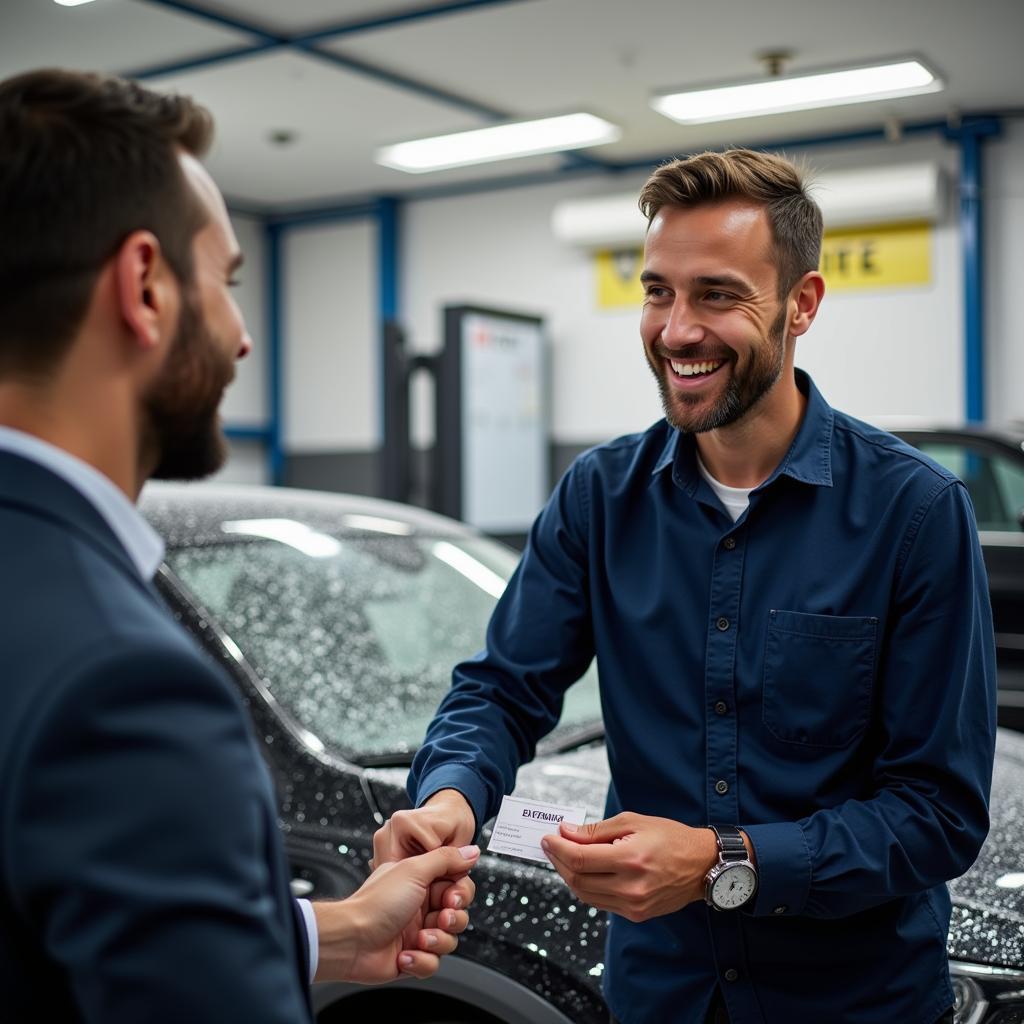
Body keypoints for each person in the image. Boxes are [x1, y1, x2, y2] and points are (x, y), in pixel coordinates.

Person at [373, 148, 997, 1023]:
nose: (675, 330)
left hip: (854, 1001)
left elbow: (936, 814)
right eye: (658, 291)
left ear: (801, 305)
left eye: (716, 294)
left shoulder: (915, 513)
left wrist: (718, 860)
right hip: (660, 996)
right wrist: (450, 797)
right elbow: (500, 690)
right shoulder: (600, 496)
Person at [0, 68, 479, 1023]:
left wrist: (329, 932)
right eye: (225, 282)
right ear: (145, 287)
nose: (242, 338)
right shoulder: (126, 684)